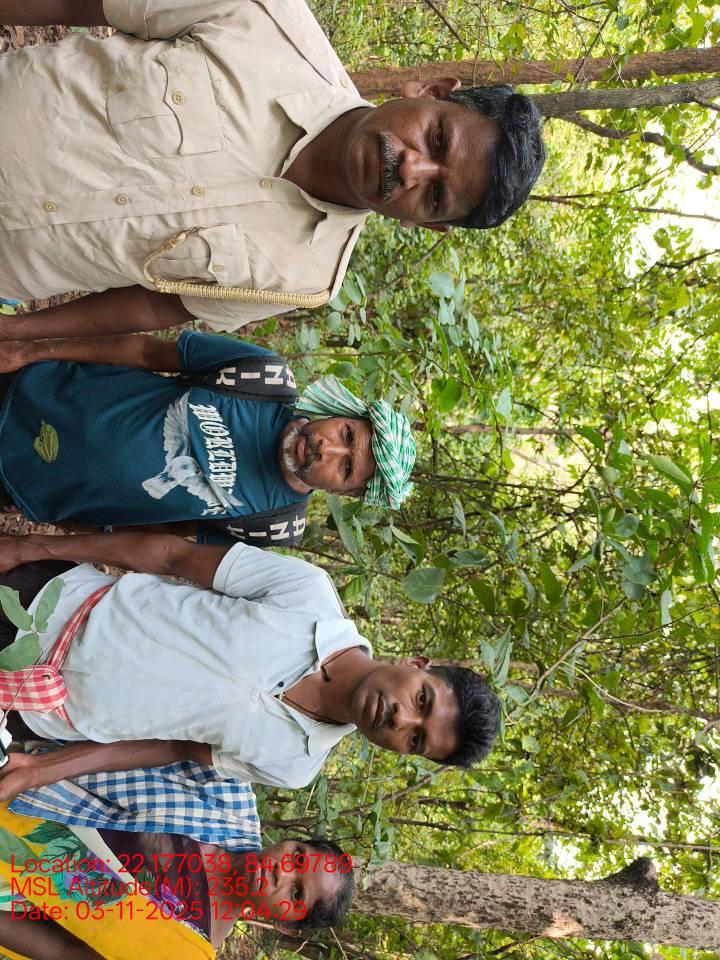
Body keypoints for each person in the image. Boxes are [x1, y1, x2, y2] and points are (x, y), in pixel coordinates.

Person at [0, 0, 546, 339]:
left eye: (434, 195)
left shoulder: (306, 279)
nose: (412, 168)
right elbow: (86, 3)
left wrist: (17, 331)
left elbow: (155, 303)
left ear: (425, 224)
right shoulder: (267, 21)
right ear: (431, 90)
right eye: (436, 138)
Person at [0, 533, 501, 799]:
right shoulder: (307, 595)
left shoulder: (294, 765)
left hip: (30, 712)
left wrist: (40, 770)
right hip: (42, 600)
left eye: (415, 739)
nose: (401, 719)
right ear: (416, 663)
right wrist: (30, 548)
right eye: (421, 700)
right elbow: (173, 556)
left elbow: (170, 746)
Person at [0, 331, 415, 545]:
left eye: (345, 467)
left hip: (27, 489)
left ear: (346, 492)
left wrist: (73, 526)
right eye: (346, 434)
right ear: (342, 414)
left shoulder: (277, 524)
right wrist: (31, 351)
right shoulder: (264, 377)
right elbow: (144, 352)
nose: (329, 449)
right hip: (32, 394)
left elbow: (166, 533)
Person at [0, 777, 355, 959]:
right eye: (298, 857)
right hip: (17, 796)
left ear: (287, 925)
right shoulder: (224, 800)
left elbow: (62, 952)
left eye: (296, 893)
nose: (283, 872)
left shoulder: (186, 952)